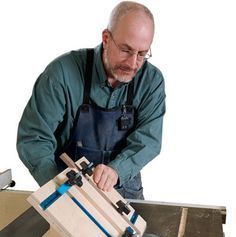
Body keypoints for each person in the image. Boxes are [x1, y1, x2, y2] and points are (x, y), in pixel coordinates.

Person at [17, 1, 165, 201]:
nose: (132, 64)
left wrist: (116, 170)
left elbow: (148, 141)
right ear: (106, 38)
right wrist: (59, 187)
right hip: (67, 190)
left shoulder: (152, 81)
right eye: (126, 50)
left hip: (124, 192)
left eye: (141, 54)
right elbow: (34, 138)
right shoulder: (62, 74)